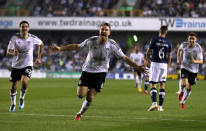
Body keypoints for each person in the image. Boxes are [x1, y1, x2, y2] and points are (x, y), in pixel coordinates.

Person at [49, 22, 146, 120]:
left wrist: (138, 67)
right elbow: (76, 46)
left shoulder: (112, 45)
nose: (103, 31)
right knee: (80, 95)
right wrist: (60, 48)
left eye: (106, 30)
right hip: (87, 71)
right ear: (99, 31)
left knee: (90, 97)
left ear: (109, 33)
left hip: (101, 73)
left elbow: (124, 58)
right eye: (102, 29)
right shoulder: (91, 40)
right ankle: (87, 93)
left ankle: (80, 113)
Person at [7, 21, 44, 112]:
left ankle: (22, 97)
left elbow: (41, 44)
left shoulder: (33, 38)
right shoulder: (14, 38)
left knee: (24, 81)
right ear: (20, 28)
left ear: (28, 28)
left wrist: (39, 58)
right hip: (16, 65)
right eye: (23, 27)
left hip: (27, 64)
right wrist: (13, 52)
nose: (24, 28)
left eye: (26, 26)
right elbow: (8, 51)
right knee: (13, 86)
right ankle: (13, 104)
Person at [146, 26, 171, 111]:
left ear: (159, 31)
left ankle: (154, 104)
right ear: (166, 32)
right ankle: (160, 107)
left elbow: (148, 52)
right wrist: (168, 66)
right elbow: (169, 56)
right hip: (164, 64)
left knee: (153, 84)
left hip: (155, 63)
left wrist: (149, 61)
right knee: (162, 85)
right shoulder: (168, 42)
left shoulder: (154, 39)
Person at [177, 32, 203, 110]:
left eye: (193, 39)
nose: (191, 40)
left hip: (194, 70)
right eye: (190, 38)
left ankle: (182, 102)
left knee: (189, 88)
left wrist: (194, 61)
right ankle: (181, 91)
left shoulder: (198, 47)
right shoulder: (184, 45)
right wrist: (179, 59)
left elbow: (201, 61)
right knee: (184, 83)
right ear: (188, 39)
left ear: (196, 40)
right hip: (184, 67)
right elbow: (179, 50)